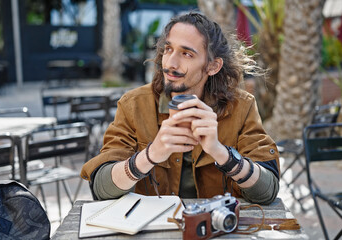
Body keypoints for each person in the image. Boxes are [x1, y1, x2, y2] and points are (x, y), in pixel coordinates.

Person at [81, 12, 280, 204]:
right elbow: (100, 188)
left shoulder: (241, 106)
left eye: (186, 54)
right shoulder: (134, 104)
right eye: (168, 49)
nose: (170, 63)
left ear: (213, 66)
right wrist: (150, 155)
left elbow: (267, 191)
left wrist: (221, 153)